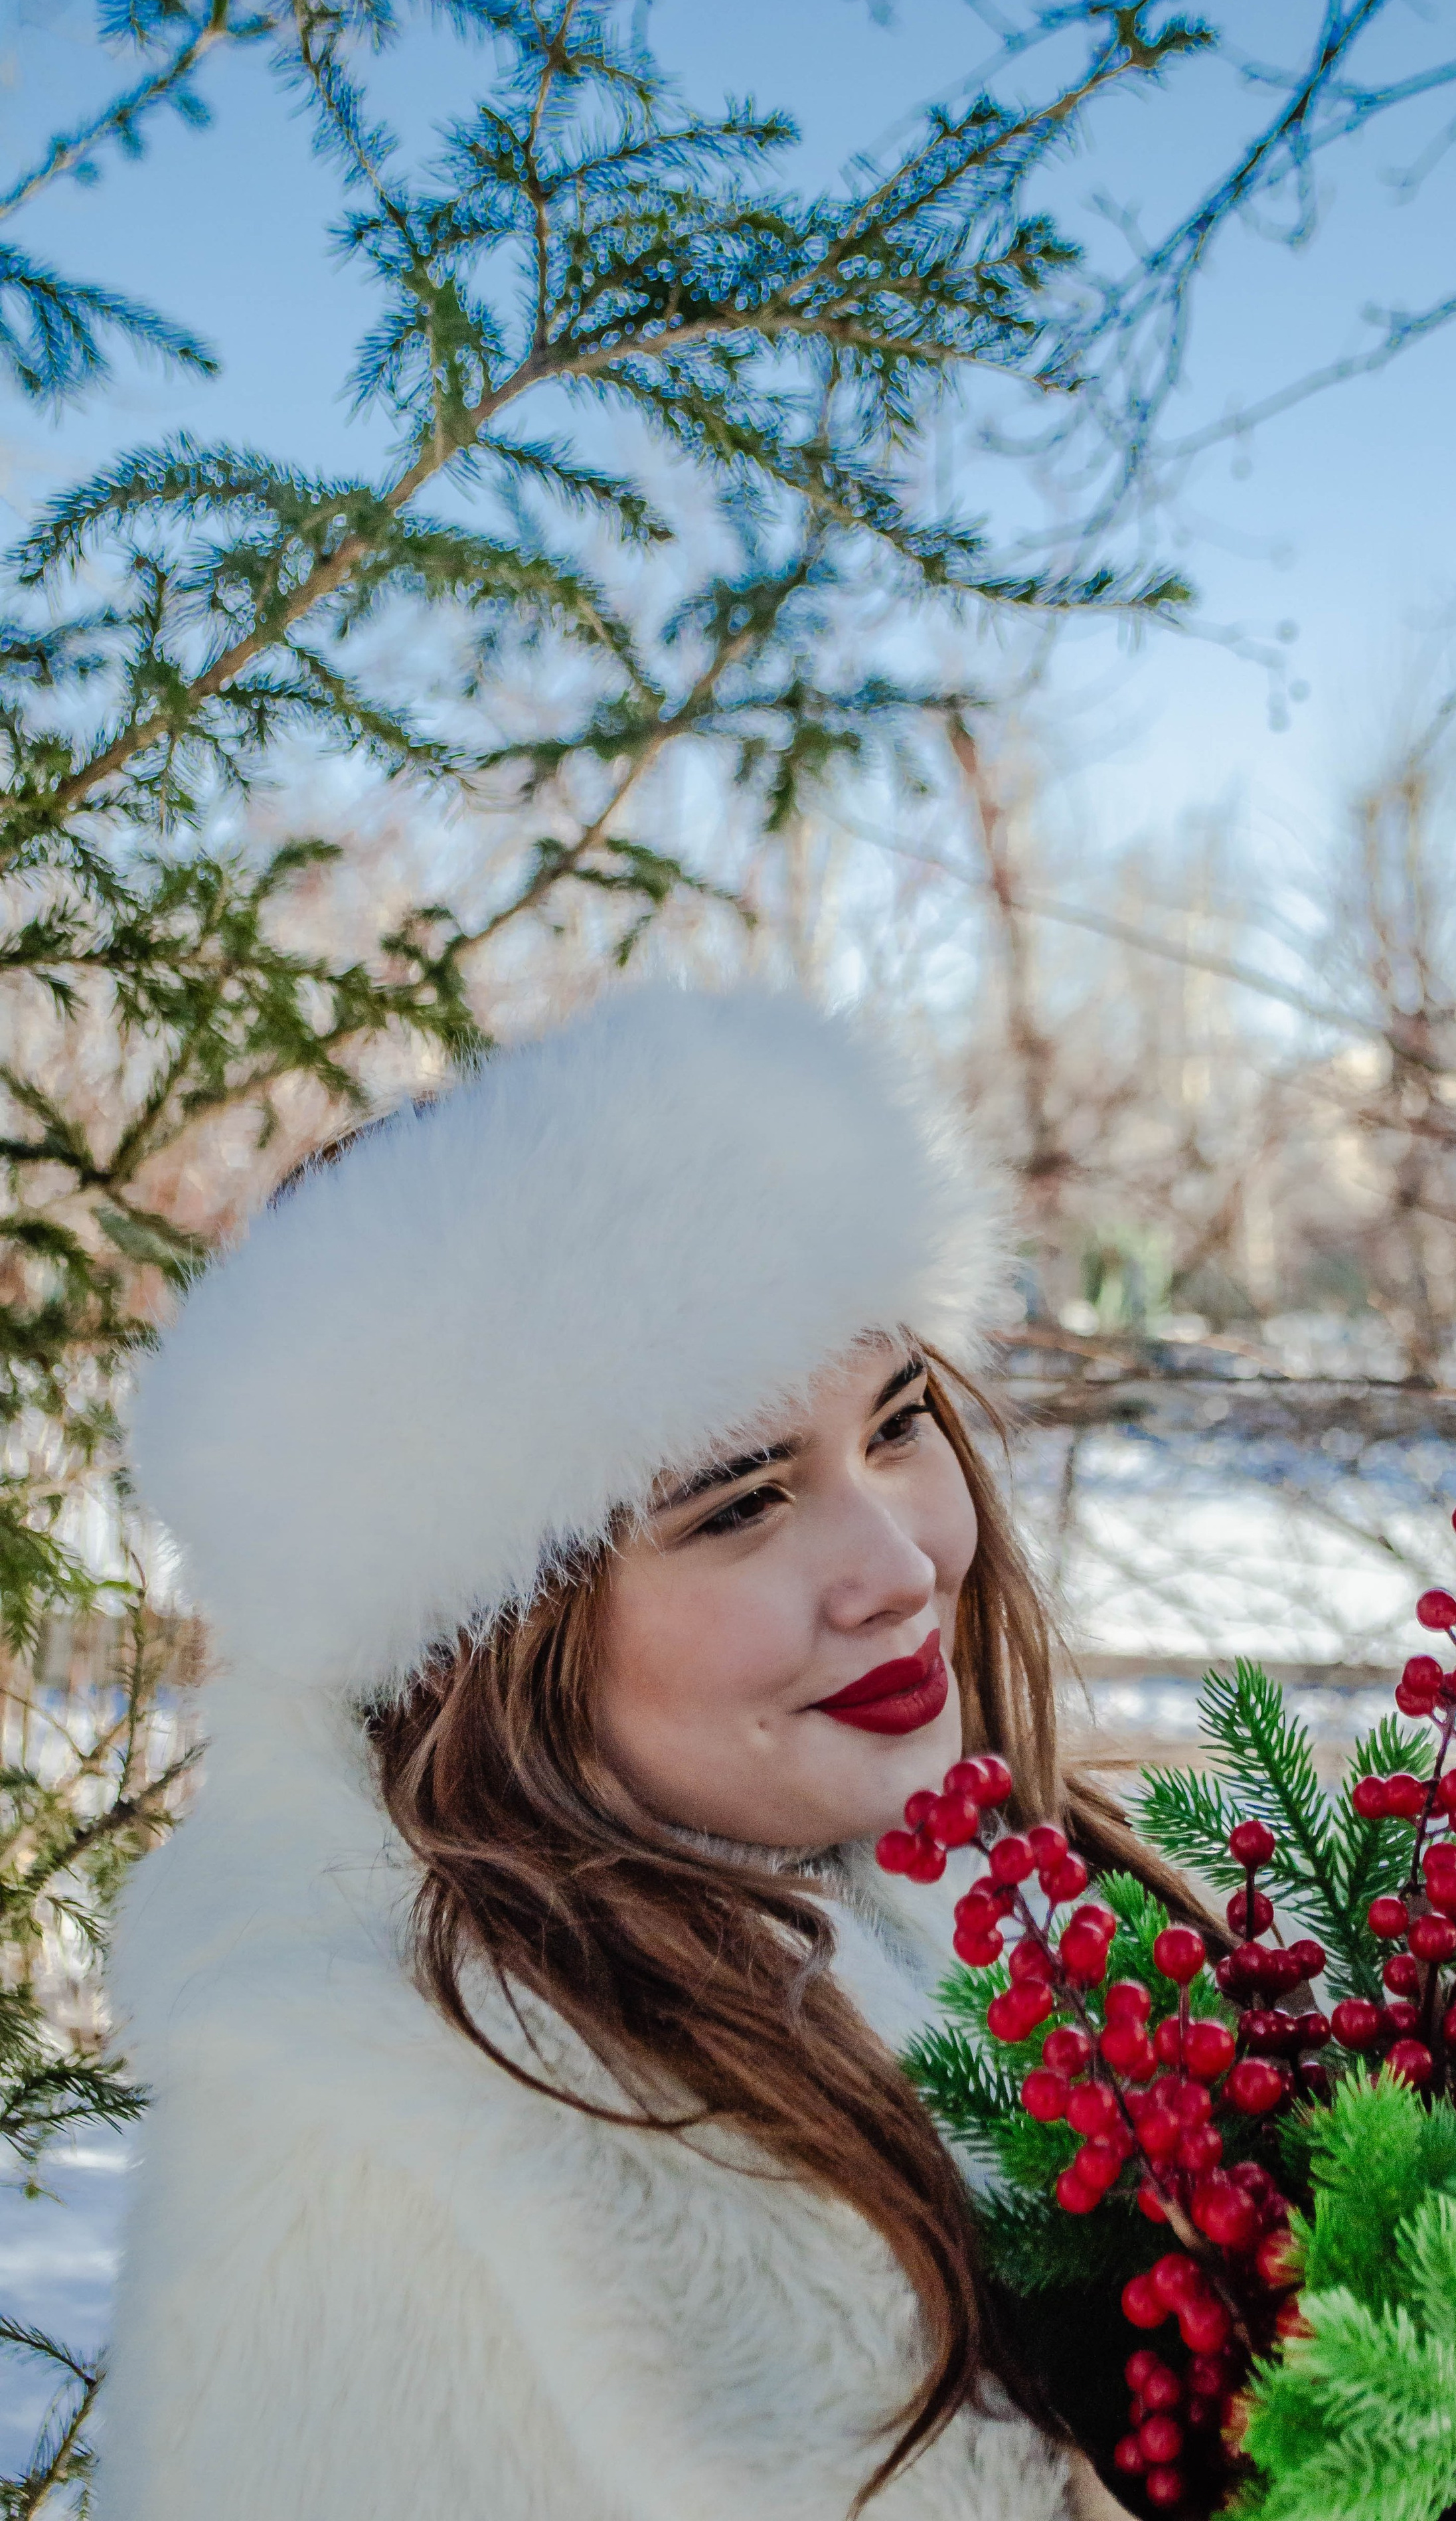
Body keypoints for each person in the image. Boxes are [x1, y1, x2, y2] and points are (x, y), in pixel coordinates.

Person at [101, 985, 1215, 2521]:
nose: (899, 1566)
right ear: (488, 1637)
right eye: (741, 1503)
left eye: (895, 1424)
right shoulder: (381, 2164)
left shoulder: (1054, 1893)